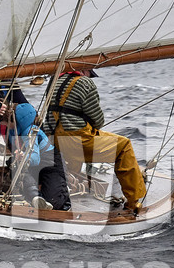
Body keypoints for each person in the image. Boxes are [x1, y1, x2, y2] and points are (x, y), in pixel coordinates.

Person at [46, 63, 146, 215]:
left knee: (73, 153)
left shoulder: (53, 82)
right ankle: (134, 201)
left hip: (54, 139)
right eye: (89, 73)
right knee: (124, 145)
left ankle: (71, 187)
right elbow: (98, 120)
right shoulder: (85, 82)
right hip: (77, 141)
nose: (89, 76)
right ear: (84, 70)